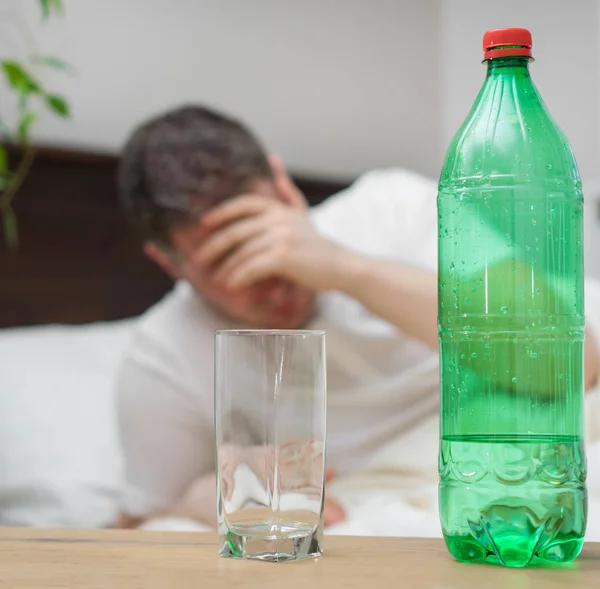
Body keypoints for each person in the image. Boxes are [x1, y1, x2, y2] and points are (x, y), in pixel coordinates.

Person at [115, 105, 599, 529]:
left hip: (512, 438)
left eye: (260, 232)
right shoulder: (163, 356)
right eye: (224, 264)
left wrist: (345, 268)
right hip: (370, 497)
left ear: (284, 187)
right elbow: (134, 529)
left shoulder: (389, 209)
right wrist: (199, 498)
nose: (266, 276)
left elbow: (571, 361)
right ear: (168, 263)